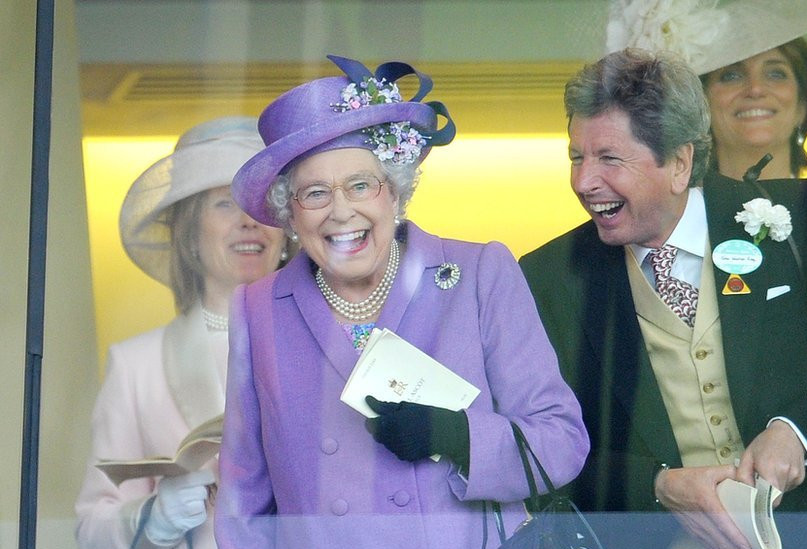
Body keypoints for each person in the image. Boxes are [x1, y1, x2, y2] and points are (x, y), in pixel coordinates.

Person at [519, 48, 807, 549]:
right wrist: (658, 486)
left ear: (680, 162)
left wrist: (796, 433)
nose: (583, 181)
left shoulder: (797, 218)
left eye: (608, 158)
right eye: (576, 156)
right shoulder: (550, 275)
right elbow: (544, 455)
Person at [215, 54, 588, 549]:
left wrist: (455, 436)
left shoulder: (479, 276)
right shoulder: (259, 308)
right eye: (315, 194)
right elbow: (244, 500)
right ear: (291, 213)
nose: (341, 211)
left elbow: (560, 443)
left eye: (360, 185)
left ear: (394, 192)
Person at [607, 1, 807, 545]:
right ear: (697, 106)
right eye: (731, 74)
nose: (755, 89)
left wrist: (797, 434)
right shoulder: (654, 229)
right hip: (693, 525)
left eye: (777, 72)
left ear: (805, 100)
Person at [75, 117, 288, 549]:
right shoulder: (136, 364)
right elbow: (90, 526)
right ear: (190, 233)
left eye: (260, 203)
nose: (249, 220)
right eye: (225, 202)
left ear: (287, 232)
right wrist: (154, 517)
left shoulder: (330, 346)